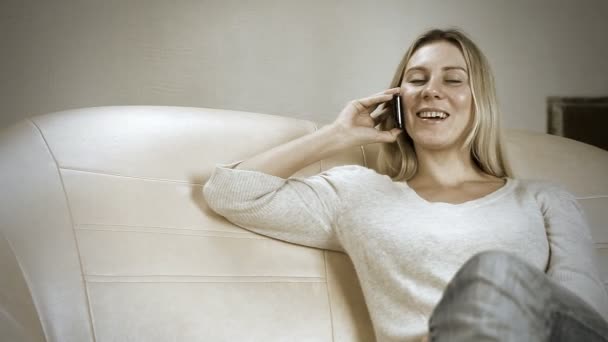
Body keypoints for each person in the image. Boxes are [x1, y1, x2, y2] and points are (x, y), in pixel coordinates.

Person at [202, 28, 608, 341]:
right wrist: (336, 135)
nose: (432, 90)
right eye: (417, 80)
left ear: (478, 100)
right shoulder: (357, 194)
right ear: (398, 101)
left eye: (453, 80)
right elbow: (231, 192)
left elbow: (581, 313)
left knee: (493, 273)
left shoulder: (543, 199)